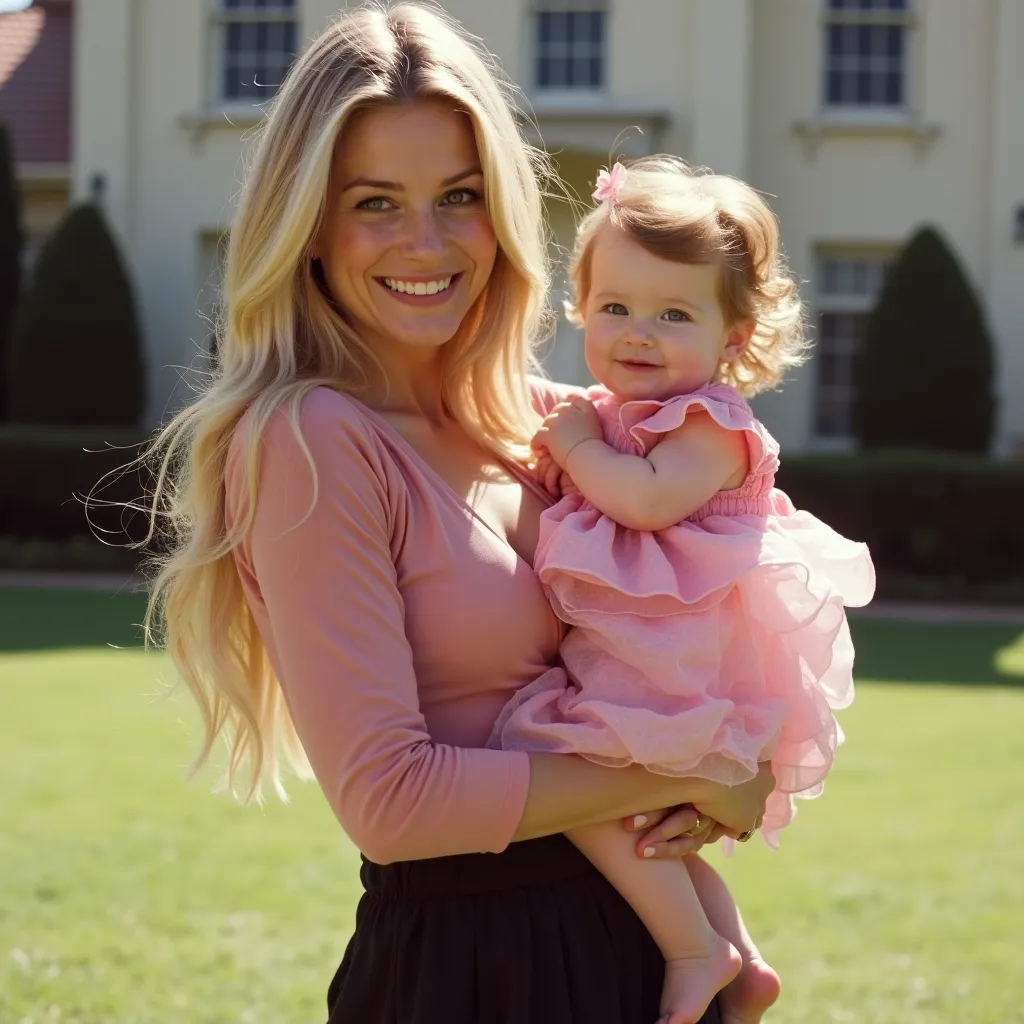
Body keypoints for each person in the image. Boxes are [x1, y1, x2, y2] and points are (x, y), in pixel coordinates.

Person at [142, 6, 774, 1023]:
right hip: (477, 969)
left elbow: (717, 591)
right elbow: (393, 805)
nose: (425, 242)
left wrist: (747, 766)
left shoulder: (548, 422)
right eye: (375, 203)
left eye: (460, 196)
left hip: (638, 951)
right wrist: (686, 770)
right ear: (306, 224)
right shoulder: (309, 442)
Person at [489, 157, 876, 1024]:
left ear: (733, 338)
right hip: (644, 647)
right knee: (648, 819)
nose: (638, 332)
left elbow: (648, 498)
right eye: (617, 307)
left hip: (677, 651)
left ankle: (695, 949)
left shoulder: (710, 423)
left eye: (674, 314)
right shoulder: (610, 408)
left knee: (563, 768)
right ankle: (742, 958)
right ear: (580, 307)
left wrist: (581, 449)